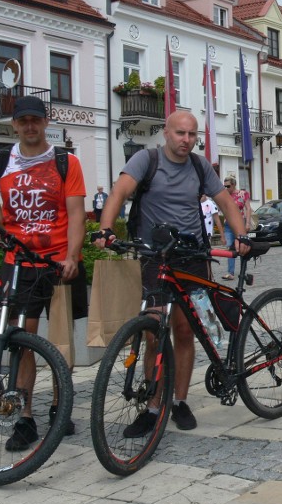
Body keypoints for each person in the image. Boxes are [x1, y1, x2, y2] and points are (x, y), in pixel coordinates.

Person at [94, 111, 250, 435]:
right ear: (166, 132)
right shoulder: (145, 160)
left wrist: (242, 235)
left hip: (192, 258)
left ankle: (179, 401)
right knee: (154, 331)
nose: (186, 140)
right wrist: (105, 229)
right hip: (156, 257)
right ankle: (153, 406)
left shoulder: (199, 166)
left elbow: (225, 202)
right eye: (180, 133)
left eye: (192, 135)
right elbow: (119, 193)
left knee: (183, 330)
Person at [0, 95, 87, 448]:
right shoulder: (0, 160)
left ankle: (59, 407)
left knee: (61, 341)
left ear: (45, 122)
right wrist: (3, 225)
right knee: (21, 341)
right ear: (14, 124)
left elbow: (77, 215)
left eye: (35, 120)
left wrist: (72, 255)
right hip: (19, 264)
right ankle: (24, 417)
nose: (29, 126)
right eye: (22, 121)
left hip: (59, 264)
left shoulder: (65, 162)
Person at [221, 176, 252, 280]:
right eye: (224, 186)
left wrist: (247, 223)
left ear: (234, 185)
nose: (226, 188)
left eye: (228, 186)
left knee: (242, 246)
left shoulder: (243, 194)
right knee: (230, 247)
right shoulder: (224, 195)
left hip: (240, 223)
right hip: (228, 224)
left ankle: (243, 271)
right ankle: (230, 273)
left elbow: (248, 209)